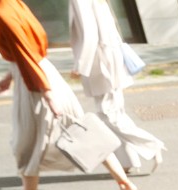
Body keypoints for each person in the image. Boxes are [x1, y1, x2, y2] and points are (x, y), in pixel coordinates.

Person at [0, 0, 141, 190]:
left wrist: (46, 93)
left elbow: (25, 56)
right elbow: (29, 50)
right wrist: (10, 77)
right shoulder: (16, 6)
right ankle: (126, 185)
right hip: (41, 75)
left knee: (25, 142)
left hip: (35, 84)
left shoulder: (5, 11)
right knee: (82, 132)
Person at [69, 0, 166, 174]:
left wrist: (80, 65)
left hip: (101, 62)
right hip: (108, 57)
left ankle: (152, 145)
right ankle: (127, 161)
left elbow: (89, 34)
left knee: (109, 114)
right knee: (114, 113)